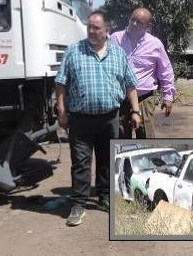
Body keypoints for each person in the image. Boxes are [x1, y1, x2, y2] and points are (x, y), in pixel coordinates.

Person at [55, 11, 141, 227]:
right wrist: (61, 110)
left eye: (96, 28)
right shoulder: (74, 51)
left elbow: (130, 84)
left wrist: (135, 111)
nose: (91, 31)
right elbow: (61, 83)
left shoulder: (118, 54)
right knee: (81, 163)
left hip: (109, 118)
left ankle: (104, 198)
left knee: (106, 160)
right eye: (89, 27)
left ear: (107, 30)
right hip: (81, 119)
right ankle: (79, 204)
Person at [110, 7, 177, 139]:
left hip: (144, 99)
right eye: (132, 19)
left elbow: (165, 71)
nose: (134, 24)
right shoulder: (115, 39)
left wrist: (168, 96)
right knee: (121, 136)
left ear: (147, 26)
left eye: (139, 22)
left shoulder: (155, 44)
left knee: (146, 137)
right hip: (120, 99)